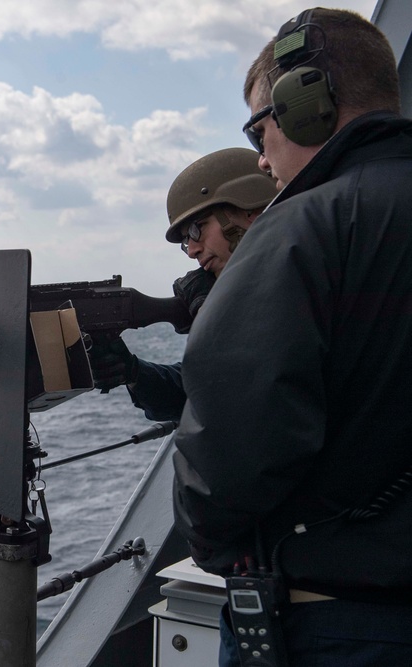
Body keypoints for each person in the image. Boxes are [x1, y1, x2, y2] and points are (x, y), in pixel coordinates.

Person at [171, 8, 412, 666]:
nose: (259, 153)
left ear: (307, 105)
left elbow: (236, 448)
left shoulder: (303, 225)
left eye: (260, 125)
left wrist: (216, 543)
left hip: (335, 625)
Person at [88, 148, 276, 421]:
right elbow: (193, 392)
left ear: (248, 209)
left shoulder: (298, 282)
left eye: (197, 229)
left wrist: (213, 315)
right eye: (187, 240)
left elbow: (248, 388)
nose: (192, 250)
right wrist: (133, 373)